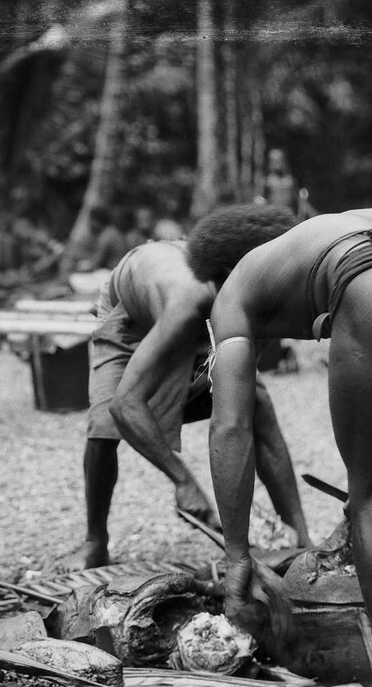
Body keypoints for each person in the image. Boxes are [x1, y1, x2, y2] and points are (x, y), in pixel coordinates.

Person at [190, 206, 372, 687]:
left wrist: (238, 554)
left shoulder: (233, 292)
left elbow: (230, 428)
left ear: (218, 274)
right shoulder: (317, 234)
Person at [72, 204, 312, 570]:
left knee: (258, 404)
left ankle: (300, 538)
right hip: (128, 311)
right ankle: (95, 541)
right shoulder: (187, 304)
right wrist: (183, 481)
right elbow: (126, 406)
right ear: (235, 272)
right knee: (104, 426)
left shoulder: (240, 292)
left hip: (189, 289)